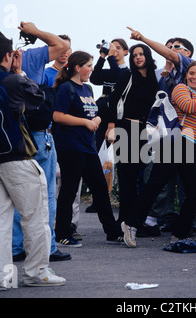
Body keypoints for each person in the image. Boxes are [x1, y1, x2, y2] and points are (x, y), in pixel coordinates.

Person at [0, 35, 65, 290]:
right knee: (34, 216)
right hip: (17, 158)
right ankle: (36, 272)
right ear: (9, 55)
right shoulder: (13, 80)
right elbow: (38, 101)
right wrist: (20, 73)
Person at [121, 60, 196, 248]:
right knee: (156, 185)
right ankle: (131, 223)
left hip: (190, 144)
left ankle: (179, 233)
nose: (194, 77)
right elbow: (189, 107)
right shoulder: (180, 88)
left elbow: (194, 115)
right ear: (186, 75)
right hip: (175, 142)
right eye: (191, 73)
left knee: (194, 190)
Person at [53, 51, 124, 247]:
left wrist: (98, 119)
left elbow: (95, 112)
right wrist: (85, 122)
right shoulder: (66, 89)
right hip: (70, 146)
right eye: (90, 65)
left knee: (100, 189)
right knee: (69, 190)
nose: (92, 69)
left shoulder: (88, 89)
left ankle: (112, 232)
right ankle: (62, 233)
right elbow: (58, 116)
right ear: (78, 67)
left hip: (87, 146)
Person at [107, 43, 158, 226]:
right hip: (125, 128)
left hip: (144, 132)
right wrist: (111, 126)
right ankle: (124, 220)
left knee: (139, 176)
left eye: (141, 54)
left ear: (147, 56)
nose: (138, 57)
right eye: (135, 55)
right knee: (127, 177)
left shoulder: (154, 79)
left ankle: (135, 220)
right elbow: (113, 100)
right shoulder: (128, 75)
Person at [85, 38, 129, 214]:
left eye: (118, 48)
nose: (114, 51)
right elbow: (94, 78)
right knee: (100, 158)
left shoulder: (127, 71)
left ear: (126, 52)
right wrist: (103, 57)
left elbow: (119, 77)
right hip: (102, 116)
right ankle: (99, 199)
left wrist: (110, 58)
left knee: (120, 158)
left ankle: (123, 199)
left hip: (119, 117)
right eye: (112, 48)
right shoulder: (109, 67)